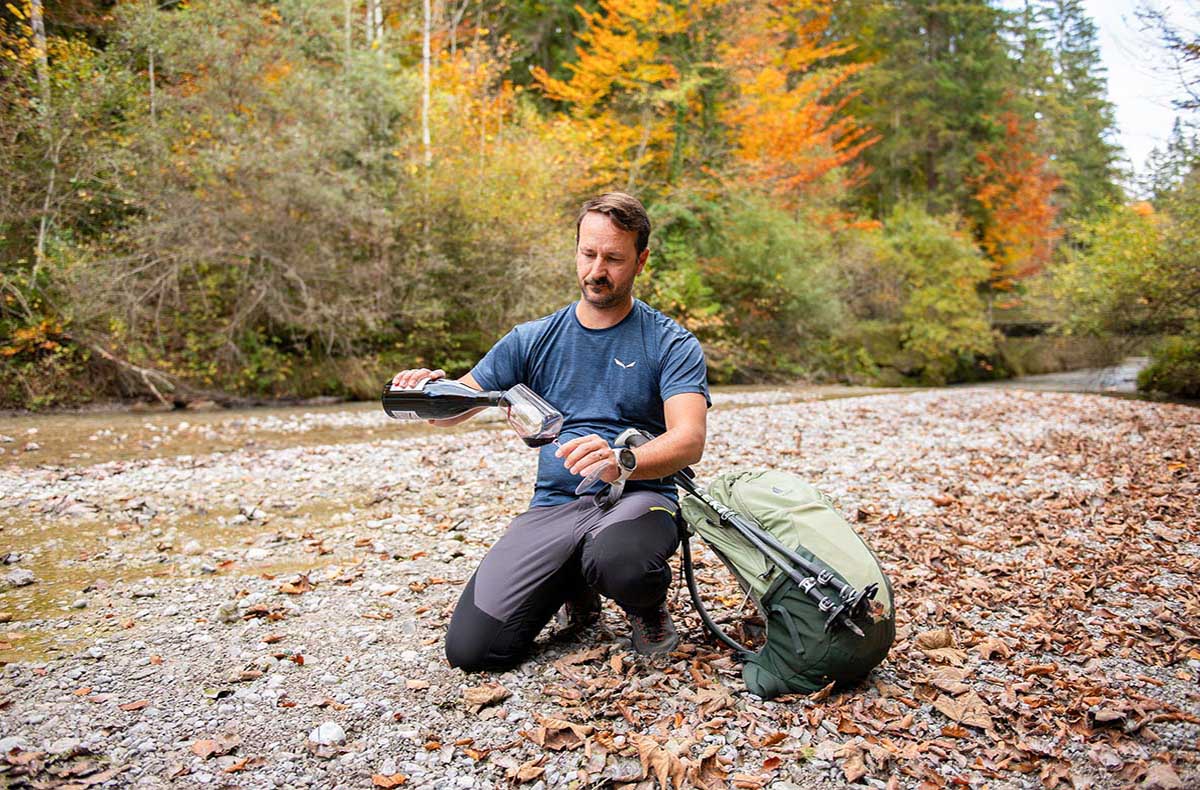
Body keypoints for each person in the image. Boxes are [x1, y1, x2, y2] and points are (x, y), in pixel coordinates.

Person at [391, 192, 710, 671]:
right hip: (554, 507)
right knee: (472, 651)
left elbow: (689, 440)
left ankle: (645, 607)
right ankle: (574, 584)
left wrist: (621, 461)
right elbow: (456, 407)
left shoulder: (670, 342)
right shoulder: (532, 338)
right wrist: (426, 392)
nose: (597, 270)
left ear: (641, 261)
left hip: (639, 499)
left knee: (621, 562)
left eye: (614, 259)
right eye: (588, 254)